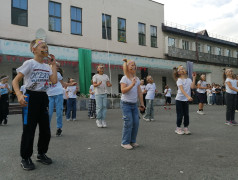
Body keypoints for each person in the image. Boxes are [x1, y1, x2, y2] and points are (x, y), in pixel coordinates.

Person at [12, 39, 57, 170]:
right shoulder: (29, 63)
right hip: (30, 97)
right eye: (43, 47)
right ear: (34, 50)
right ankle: (25, 157)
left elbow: (53, 80)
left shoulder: (46, 67)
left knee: (45, 129)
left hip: (43, 97)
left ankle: (41, 153)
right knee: (29, 129)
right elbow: (15, 81)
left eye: (47, 47)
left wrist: (53, 65)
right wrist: (19, 95)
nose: (46, 49)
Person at [120, 59, 145, 150]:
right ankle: (125, 142)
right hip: (125, 104)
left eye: (134, 64)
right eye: (131, 65)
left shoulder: (137, 79)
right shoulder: (124, 78)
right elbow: (123, 91)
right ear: (127, 67)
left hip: (134, 105)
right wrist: (132, 84)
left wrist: (142, 104)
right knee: (128, 122)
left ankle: (132, 141)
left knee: (136, 122)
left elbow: (140, 92)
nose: (133, 66)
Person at [173, 65, 196, 135]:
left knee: (186, 114)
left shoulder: (189, 79)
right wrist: (188, 96)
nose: (183, 70)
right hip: (179, 99)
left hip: (185, 100)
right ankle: (178, 128)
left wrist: (194, 78)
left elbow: (192, 87)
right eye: (181, 69)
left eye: (183, 69)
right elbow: (182, 90)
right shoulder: (179, 80)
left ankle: (186, 128)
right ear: (179, 73)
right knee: (180, 114)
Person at [47, 63, 68, 137]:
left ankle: (59, 128)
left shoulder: (58, 74)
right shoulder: (46, 73)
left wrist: (70, 84)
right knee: (49, 113)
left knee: (59, 112)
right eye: (53, 66)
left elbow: (63, 84)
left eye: (56, 66)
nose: (55, 67)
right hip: (50, 95)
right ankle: (47, 129)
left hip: (58, 94)